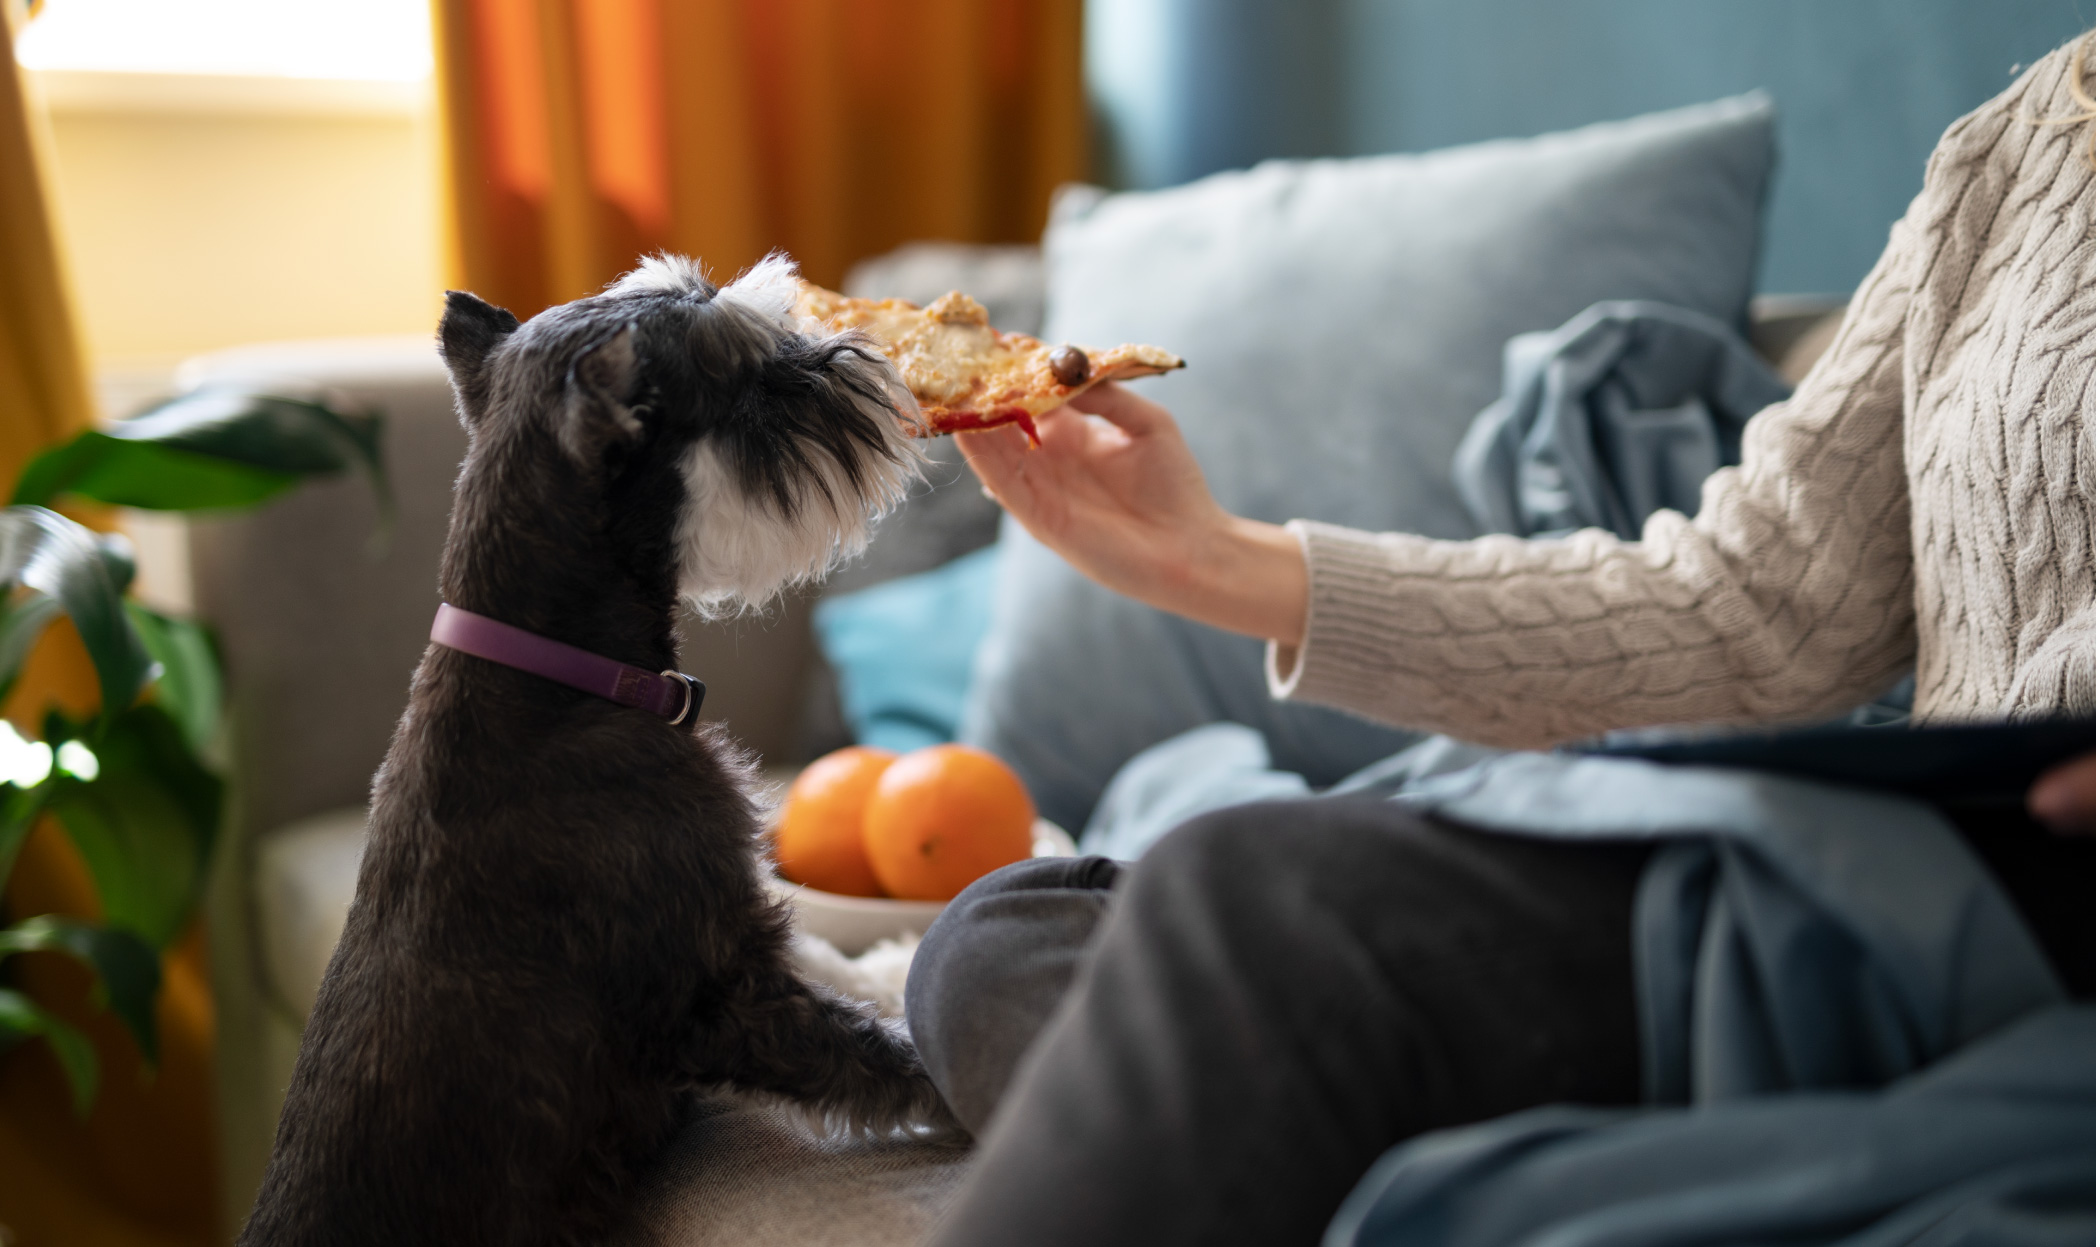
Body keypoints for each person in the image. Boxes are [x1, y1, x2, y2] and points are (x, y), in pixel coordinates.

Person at [905, 32, 2095, 1247]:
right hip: (1884, 877)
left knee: (1243, 924)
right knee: (1002, 948)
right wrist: (1209, 558)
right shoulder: (2018, 146)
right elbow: (1748, 606)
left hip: (2011, 933)